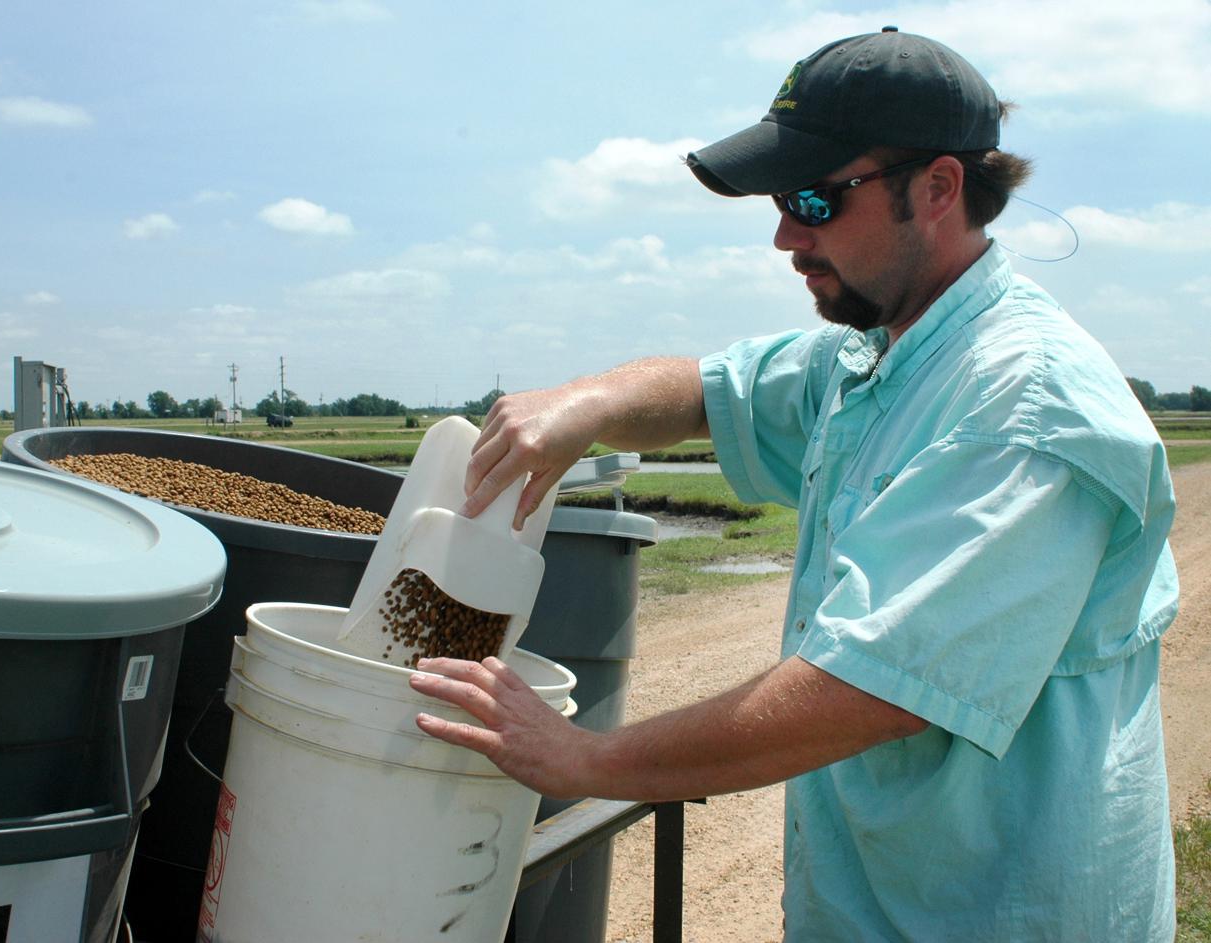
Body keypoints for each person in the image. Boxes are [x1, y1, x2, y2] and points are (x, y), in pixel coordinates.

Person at [409, 27, 1180, 941]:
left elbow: (867, 689)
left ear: (937, 189)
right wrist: (584, 401)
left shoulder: (1023, 407)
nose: (785, 234)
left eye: (815, 196)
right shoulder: (871, 353)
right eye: (779, 199)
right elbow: (705, 391)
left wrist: (584, 757)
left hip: (995, 913)